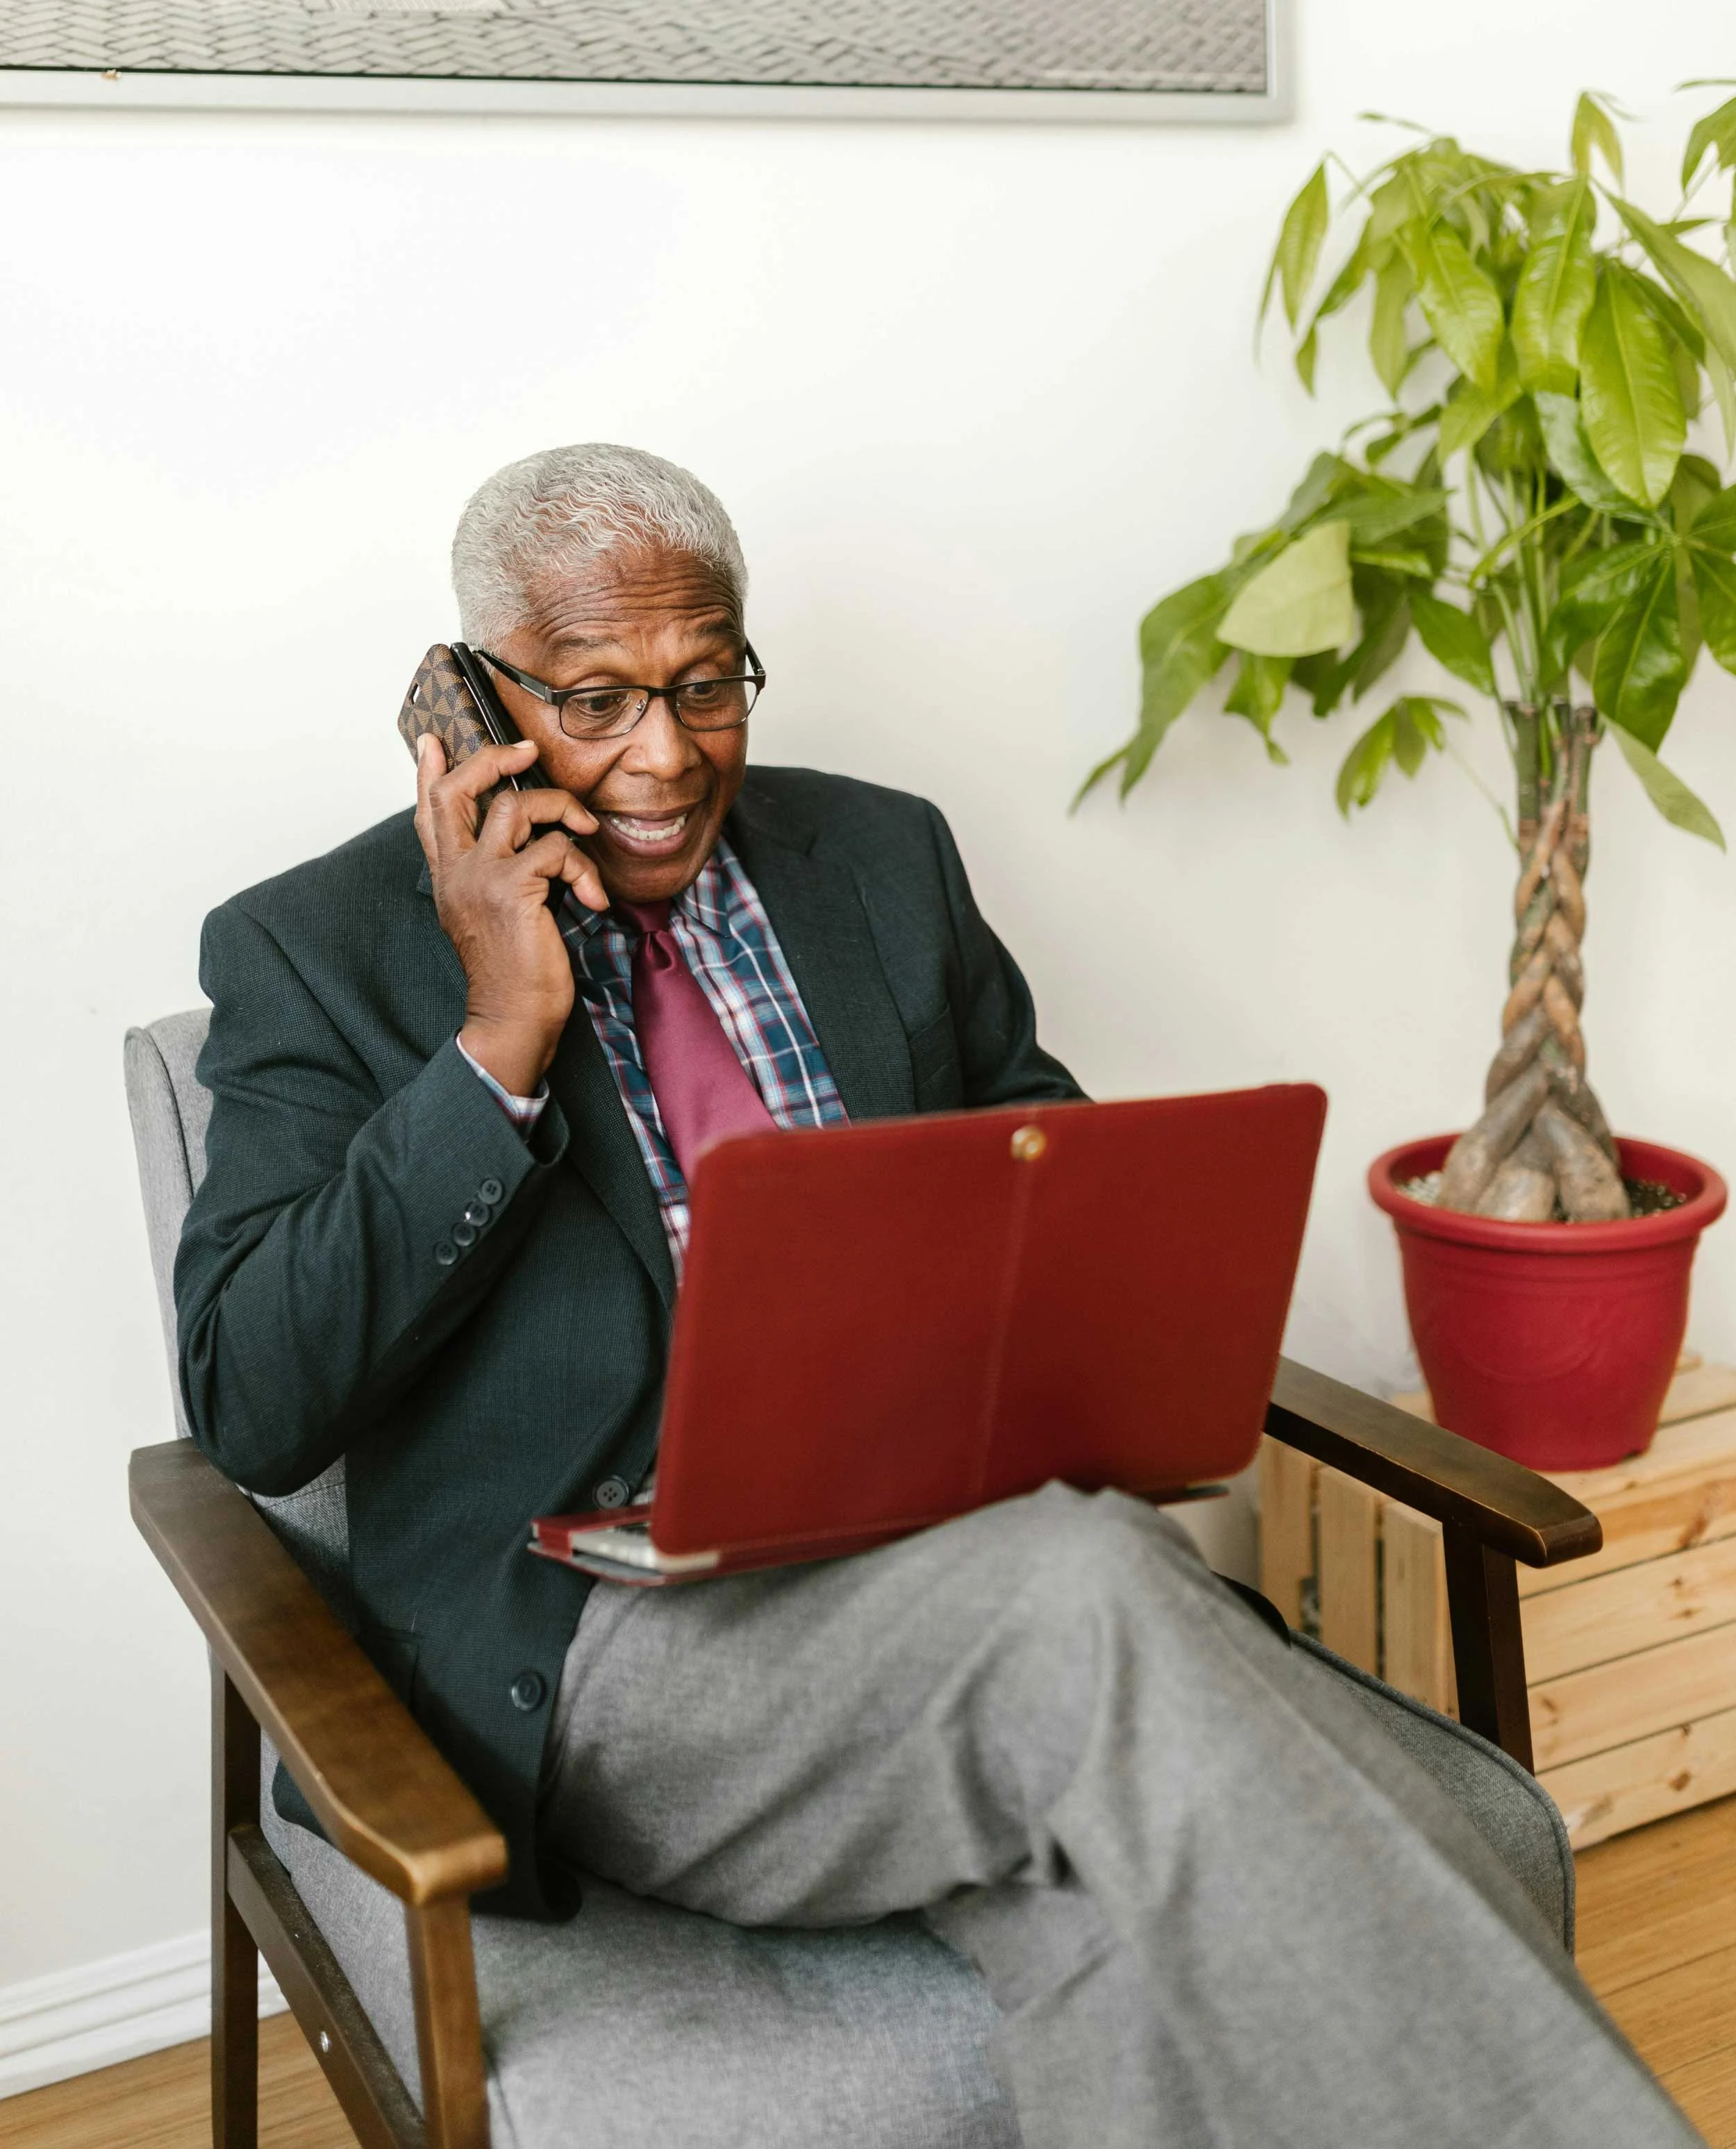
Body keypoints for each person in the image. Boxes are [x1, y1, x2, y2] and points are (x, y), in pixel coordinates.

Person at [176, 444, 1696, 2149]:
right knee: (1090, 1587)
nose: (664, 753)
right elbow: (252, 1400)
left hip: (953, 1556)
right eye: (594, 700)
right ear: (476, 701)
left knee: (1114, 1882)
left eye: (705, 683)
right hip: (613, 1643)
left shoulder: (880, 858)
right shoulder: (318, 946)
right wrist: (498, 1039)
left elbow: (1055, 1199)